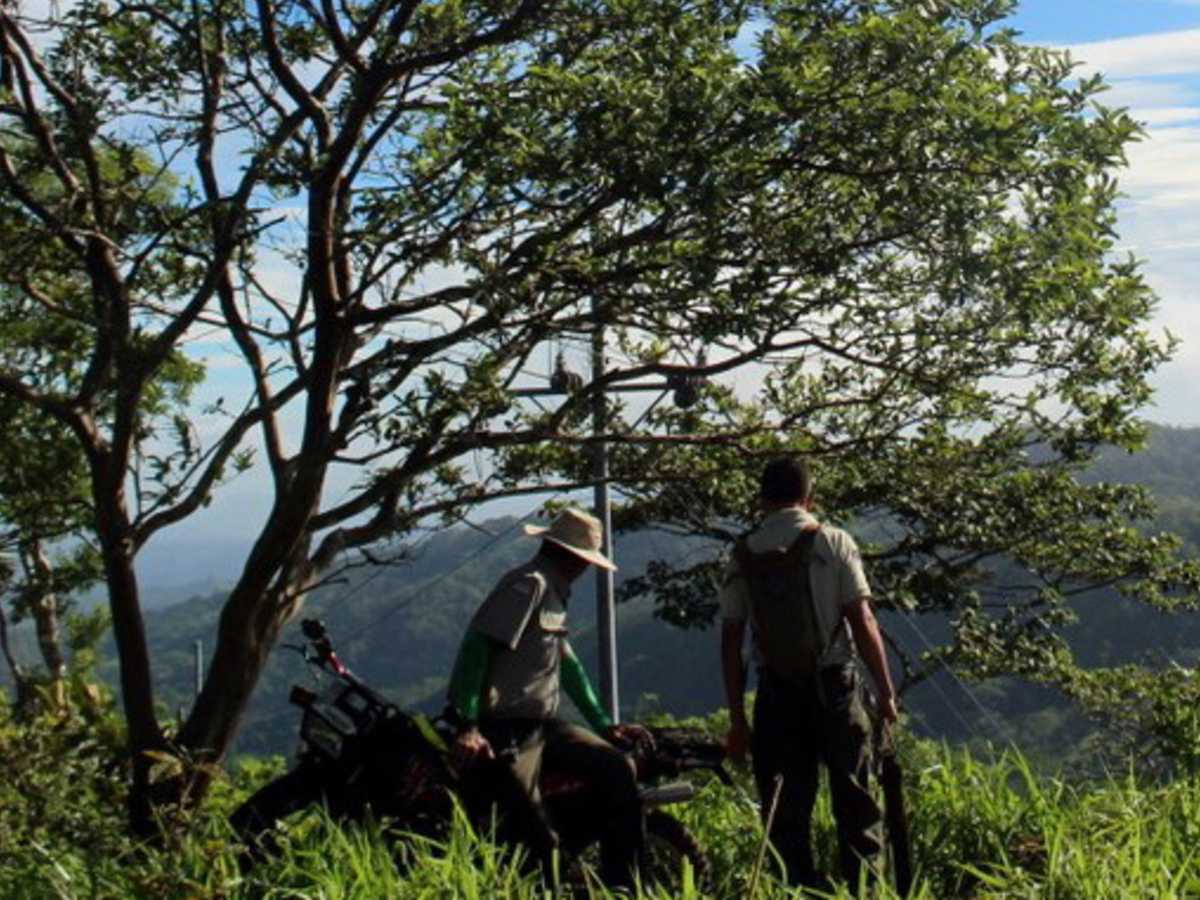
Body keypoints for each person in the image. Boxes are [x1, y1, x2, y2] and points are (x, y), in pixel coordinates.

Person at [720, 455, 899, 890]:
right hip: (834, 687)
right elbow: (862, 620)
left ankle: (798, 889)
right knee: (855, 802)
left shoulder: (743, 553)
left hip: (776, 693)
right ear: (809, 496)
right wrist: (886, 692)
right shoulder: (833, 542)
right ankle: (863, 892)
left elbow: (731, 641)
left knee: (786, 812)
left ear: (762, 499)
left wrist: (738, 719)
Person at [446, 507, 647, 889]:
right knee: (530, 824)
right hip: (506, 727)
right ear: (574, 558)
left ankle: (624, 886)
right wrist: (468, 724)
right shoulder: (529, 585)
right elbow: (478, 646)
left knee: (617, 769)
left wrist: (605, 726)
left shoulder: (554, 590)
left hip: (543, 726)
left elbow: (568, 667)